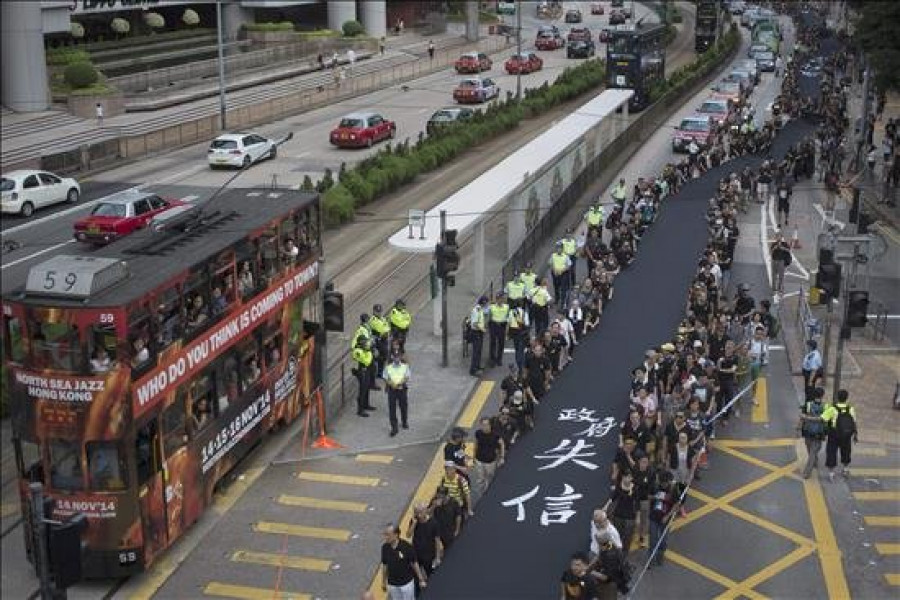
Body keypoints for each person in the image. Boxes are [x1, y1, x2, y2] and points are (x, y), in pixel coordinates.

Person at [380, 524, 427, 600]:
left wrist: (421, 579)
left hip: (406, 584)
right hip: (392, 584)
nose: (385, 537)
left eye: (388, 535)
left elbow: (414, 563)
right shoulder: (385, 548)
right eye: (385, 534)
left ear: (396, 535)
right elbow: (385, 565)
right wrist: (383, 581)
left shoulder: (406, 547)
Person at [822, 389, 858, 481]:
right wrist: (855, 434)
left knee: (831, 451)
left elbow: (823, 419)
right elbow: (854, 422)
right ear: (846, 398)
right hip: (846, 434)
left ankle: (831, 473)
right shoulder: (851, 409)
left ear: (837, 397)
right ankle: (845, 470)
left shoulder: (832, 408)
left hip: (834, 433)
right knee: (846, 451)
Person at [647, 470, 678, 567]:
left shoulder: (674, 489)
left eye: (665, 483)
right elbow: (648, 496)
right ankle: (650, 559)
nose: (663, 485)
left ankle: (660, 555)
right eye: (662, 483)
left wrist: (667, 516)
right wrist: (655, 497)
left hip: (665, 518)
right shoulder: (655, 486)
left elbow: (676, 505)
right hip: (654, 516)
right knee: (653, 539)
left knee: (663, 540)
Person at [590, 531, 631, 596]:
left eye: (598, 542)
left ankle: (621, 591)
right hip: (617, 572)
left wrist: (592, 572)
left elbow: (608, 577)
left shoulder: (610, 556)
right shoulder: (609, 545)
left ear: (601, 543)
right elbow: (600, 555)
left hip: (616, 577)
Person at [407, 504, 442, 580]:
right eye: (416, 513)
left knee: (431, 574)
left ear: (425, 511)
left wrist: (437, 557)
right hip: (417, 553)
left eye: (420, 512)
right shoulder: (414, 521)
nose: (418, 515)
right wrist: (414, 524)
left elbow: (437, 540)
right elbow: (408, 535)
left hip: (429, 554)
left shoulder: (433, 523)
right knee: (415, 574)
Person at [798, 387, 827, 479]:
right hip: (819, 432)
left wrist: (798, 428)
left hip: (807, 431)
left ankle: (807, 472)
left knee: (810, 451)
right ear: (822, 396)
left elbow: (802, 418)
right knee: (813, 452)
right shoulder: (826, 407)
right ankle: (814, 461)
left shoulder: (808, 405)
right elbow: (826, 421)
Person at [473, 417, 504, 497]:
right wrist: (473, 456)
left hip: (490, 461)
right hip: (479, 460)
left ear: (490, 425)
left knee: (490, 477)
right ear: (480, 425)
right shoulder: (478, 433)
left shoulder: (495, 434)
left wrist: (502, 457)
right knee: (480, 478)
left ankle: (489, 492)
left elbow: (502, 444)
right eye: (483, 425)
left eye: (487, 425)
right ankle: (481, 494)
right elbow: (476, 444)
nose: (485, 427)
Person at [383, 353, 410, 436]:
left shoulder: (405, 367)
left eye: (398, 357)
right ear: (392, 357)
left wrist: (399, 383)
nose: (397, 359)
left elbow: (407, 377)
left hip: (402, 389)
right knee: (392, 409)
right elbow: (385, 377)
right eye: (395, 357)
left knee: (403, 406)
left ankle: (404, 421)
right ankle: (394, 427)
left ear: (400, 357)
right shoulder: (388, 367)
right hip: (392, 390)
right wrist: (392, 384)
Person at [352, 337, 375, 417]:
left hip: (367, 371)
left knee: (367, 388)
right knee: (362, 390)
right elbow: (366, 362)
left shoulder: (364, 351)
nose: (367, 345)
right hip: (362, 372)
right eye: (365, 343)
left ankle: (366, 404)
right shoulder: (358, 351)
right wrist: (369, 352)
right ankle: (360, 410)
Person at [488, 292, 510, 367]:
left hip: (502, 325)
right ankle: (492, 360)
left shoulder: (506, 307)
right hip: (494, 325)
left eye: (502, 299)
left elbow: (507, 317)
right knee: (493, 343)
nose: (500, 300)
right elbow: (490, 316)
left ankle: (499, 359)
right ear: (496, 300)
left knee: (501, 343)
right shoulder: (492, 307)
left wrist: (507, 328)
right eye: (499, 299)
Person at [469, 295, 488, 376]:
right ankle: (473, 370)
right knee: (476, 352)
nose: (487, 304)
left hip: (479, 332)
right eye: (486, 303)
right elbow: (475, 323)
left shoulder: (480, 309)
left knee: (479, 350)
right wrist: (482, 329)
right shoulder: (476, 310)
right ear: (483, 302)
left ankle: (477, 366)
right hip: (476, 332)